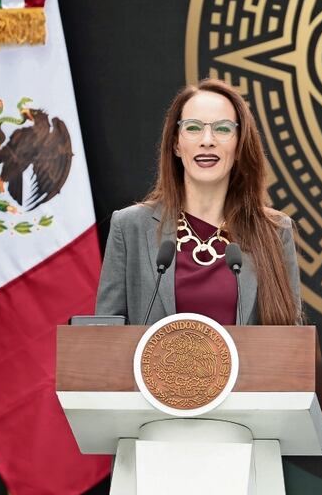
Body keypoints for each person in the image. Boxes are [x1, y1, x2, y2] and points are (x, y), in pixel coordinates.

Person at [95, 78, 302, 326]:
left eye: (223, 129)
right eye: (193, 128)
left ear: (239, 146)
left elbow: (292, 344)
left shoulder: (275, 231)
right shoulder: (130, 227)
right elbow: (104, 336)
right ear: (176, 144)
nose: (207, 140)